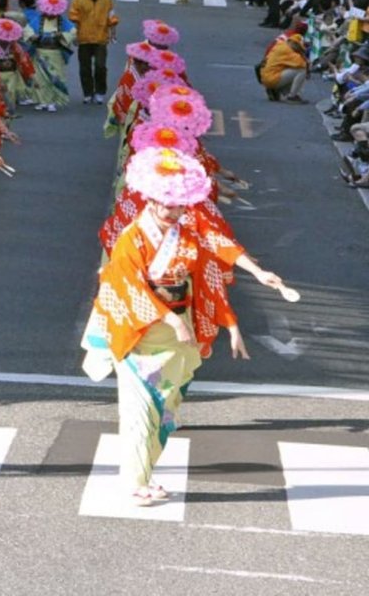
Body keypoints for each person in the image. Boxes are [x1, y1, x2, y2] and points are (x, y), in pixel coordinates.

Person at [81, 148, 292, 507]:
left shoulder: (186, 233)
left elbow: (216, 250)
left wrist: (256, 274)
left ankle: (145, 475)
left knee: (164, 406)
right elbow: (127, 285)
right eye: (167, 204)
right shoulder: (132, 238)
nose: (173, 212)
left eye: (180, 205)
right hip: (139, 331)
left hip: (179, 333)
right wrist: (170, 318)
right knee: (139, 408)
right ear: (149, 199)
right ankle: (134, 482)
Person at [66, 0, 117, 105]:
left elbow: (111, 16)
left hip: (101, 37)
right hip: (84, 38)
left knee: (100, 66)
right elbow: (73, 18)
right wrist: (74, 35)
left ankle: (100, 91)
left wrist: (113, 31)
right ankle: (87, 93)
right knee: (85, 67)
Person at [260, 24, 310, 103]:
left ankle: (277, 90)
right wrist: (306, 60)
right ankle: (291, 96)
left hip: (266, 75)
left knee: (291, 69)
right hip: (272, 77)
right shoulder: (289, 50)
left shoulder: (281, 44)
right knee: (301, 70)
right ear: (295, 44)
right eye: (299, 47)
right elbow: (303, 64)